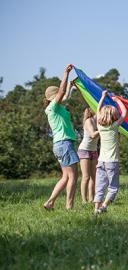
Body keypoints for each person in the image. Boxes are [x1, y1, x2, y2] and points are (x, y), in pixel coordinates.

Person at [43, 64, 79, 210]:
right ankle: (69, 206)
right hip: (64, 144)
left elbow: (65, 95)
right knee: (73, 176)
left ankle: (50, 202)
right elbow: (62, 92)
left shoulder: (57, 107)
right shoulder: (53, 107)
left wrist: (70, 86)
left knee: (65, 176)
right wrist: (66, 74)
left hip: (60, 144)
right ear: (54, 96)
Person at [94, 91, 127, 214]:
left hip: (101, 161)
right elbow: (125, 113)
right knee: (113, 188)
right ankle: (104, 206)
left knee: (100, 187)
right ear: (114, 116)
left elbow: (97, 110)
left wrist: (102, 97)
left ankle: (95, 210)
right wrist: (118, 100)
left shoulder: (99, 125)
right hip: (112, 162)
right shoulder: (114, 126)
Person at [78, 108, 99, 203]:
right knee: (86, 176)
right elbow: (92, 135)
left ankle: (92, 198)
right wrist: (104, 129)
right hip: (84, 150)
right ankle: (84, 200)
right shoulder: (88, 121)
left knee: (94, 177)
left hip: (94, 151)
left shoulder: (97, 122)